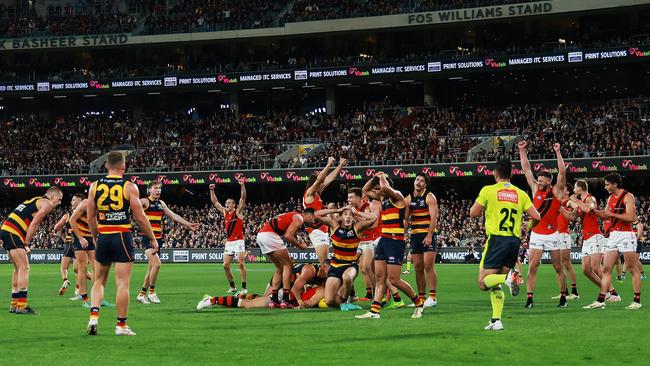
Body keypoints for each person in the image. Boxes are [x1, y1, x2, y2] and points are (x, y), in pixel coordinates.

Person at [86, 151, 158, 336]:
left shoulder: (94, 186)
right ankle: (121, 325)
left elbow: (90, 217)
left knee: (99, 281)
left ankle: (94, 317)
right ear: (124, 167)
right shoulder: (129, 187)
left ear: (107, 166)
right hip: (121, 236)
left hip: (103, 235)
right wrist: (152, 238)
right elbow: (140, 217)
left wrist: (95, 236)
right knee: (122, 284)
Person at [470, 158, 541, 330]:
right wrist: (528, 226)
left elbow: (473, 213)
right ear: (511, 174)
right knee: (495, 284)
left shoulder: (488, 190)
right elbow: (537, 216)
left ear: (495, 174)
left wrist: (486, 208)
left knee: (483, 282)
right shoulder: (521, 194)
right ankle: (496, 320)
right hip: (513, 242)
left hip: (496, 240)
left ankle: (509, 278)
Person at [356, 172, 424, 319]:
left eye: (378, 187)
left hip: (395, 241)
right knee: (380, 278)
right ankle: (375, 312)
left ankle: (419, 304)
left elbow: (385, 189)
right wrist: (375, 177)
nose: (376, 190)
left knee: (394, 280)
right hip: (383, 240)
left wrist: (382, 177)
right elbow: (365, 190)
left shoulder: (397, 196)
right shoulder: (382, 198)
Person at [518, 141, 568, 308]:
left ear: (549, 181)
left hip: (553, 234)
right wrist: (522, 150)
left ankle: (563, 297)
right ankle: (530, 298)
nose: (538, 182)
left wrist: (558, 152)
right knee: (533, 266)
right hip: (537, 234)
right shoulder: (535, 189)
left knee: (557, 266)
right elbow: (526, 169)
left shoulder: (556, 191)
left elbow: (562, 171)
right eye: (538, 180)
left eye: (541, 180)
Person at [584, 173, 642, 310]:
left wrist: (612, 214)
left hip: (626, 235)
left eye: (607, 184)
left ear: (615, 184)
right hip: (614, 235)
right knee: (606, 268)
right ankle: (601, 300)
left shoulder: (628, 196)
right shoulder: (610, 198)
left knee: (632, 268)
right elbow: (605, 215)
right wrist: (593, 211)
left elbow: (630, 217)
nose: (605, 187)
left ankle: (636, 300)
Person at [2, 187, 63, 314]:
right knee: (25, 268)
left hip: (7, 229)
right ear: (52, 196)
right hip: (14, 232)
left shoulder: (35, 200)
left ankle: (14, 304)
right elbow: (34, 223)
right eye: (59, 199)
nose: (59, 202)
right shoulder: (47, 203)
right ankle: (21, 306)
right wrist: (26, 243)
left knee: (18, 269)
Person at [137, 181, 198, 304]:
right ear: (149, 190)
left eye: (159, 188)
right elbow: (133, 204)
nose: (158, 190)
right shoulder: (144, 202)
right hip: (148, 238)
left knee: (151, 269)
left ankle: (142, 294)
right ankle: (152, 292)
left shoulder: (161, 203)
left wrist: (188, 224)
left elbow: (174, 216)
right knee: (157, 265)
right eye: (155, 188)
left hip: (158, 239)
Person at [565, 180, 620, 300]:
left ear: (580, 188)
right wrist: (562, 207)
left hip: (595, 236)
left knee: (596, 267)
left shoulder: (591, 198)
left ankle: (614, 293)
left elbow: (589, 209)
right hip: (586, 238)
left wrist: (575, 200)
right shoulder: (580, 202)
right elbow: (573, 217)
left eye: (575, 187)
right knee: (586, 270)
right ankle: (605, 290)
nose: (573, 189)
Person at [314, 205, 376, 310]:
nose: (348, 217)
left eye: (350, 215)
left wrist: (357, 213)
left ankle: (345, 301)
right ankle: (344, 305)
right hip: (335, 267)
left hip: (350, 265)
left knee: (347, 277)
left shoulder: (357, 228)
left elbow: (373, 218)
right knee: (329, 301)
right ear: (341, 217)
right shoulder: (334, 226)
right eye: (345, 214)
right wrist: (337, 210)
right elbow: (316, 214)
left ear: (353, 218)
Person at [197, 263, 329, 310]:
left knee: (260, 300)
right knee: (255, 303)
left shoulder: (323, 280)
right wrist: (300, 303)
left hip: (287, 289)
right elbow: (296, 289)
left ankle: (237, 295)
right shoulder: (310, 270)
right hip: (282, 284)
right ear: (323, 267)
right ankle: (212, 300)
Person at [256, 209, 314, 308]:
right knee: (289, 265)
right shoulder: (299, 218)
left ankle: (274, 300)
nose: (313, 221)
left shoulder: (293, 215)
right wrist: (300, 246)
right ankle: (285, 299)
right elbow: (288, 235)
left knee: (279, 267)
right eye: (313, 218)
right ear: (308, 216)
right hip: (270, 235)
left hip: (261, 235)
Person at [404, 173, 439, 308]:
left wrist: (429, 235)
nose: (419, 182)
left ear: (425, 184)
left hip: (427, 234)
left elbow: (434, 218)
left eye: (422, 181)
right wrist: (403, 233)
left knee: (428, 265)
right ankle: (421, 298)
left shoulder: (429, 197)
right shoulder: (408, 199)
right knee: (418, 267)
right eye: (417, 180)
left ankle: (433, 297)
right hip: (415, 236)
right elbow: (406, 219)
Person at [303, 157, 347, 265]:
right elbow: (320, 180)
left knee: (325, 263)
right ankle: (311, 281)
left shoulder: (317, 194)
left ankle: (320, 281)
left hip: (322, 228)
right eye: (321, 184)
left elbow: (329, 179)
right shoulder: (309, 193)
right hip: (316, 230)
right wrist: (329, 164)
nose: (323, 185)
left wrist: (340, 165)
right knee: (324, 264)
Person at [210, 181, 247, 295]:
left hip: (239, 240)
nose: (227, 204)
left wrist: (242, 185)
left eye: (229, 203)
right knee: (225, 265)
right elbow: (215, 202)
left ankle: (244, 287)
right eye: (226, 202)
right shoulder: (225, 213)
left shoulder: (238, 212)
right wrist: (211, 190)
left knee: (240, 264)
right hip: (229, 242)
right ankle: (232, 287)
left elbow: (243, 197)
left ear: (234, 205)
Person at [347, 187, 381, 301]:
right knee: (349, 265)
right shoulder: (352, 209)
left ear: (358, 198)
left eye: (351, 197)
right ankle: (355, 294)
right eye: (348, 197)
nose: (349, 200)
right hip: (359, 242)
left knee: (366, 266)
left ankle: (377, 293)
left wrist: (356, 216)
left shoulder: (366, 207)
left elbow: (371, 224)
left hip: (370, 240)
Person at [52, 193, 83, 296]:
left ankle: (65, 280)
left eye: (74, 200)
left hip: (69, 242)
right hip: (79, 243)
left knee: (64, 267)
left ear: (79, 202)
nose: (71, 202)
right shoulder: (84, 214)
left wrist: (57, 232)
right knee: (77, 269)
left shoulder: (68, 215)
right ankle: (77, 289)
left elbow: (56, 227)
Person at [69, 195, 98, 308]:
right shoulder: (86, 203)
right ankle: (85, 299)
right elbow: (72, 220)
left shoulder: (102, 205)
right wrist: (80, 238)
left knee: (97, 268)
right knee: (82, 267)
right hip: (80, 238)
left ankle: (98, 298)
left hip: (92, 237)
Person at [555, 186, 579, 300]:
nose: (561, 190)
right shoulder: (559, 202)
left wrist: (572, 215)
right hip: (556, 234)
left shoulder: (568, 201)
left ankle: (574, 292)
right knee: (558, 265)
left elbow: (575, 206)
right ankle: (564, 292)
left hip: (563, 234)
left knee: (566, 263)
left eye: (563, 189)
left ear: (568, 191)